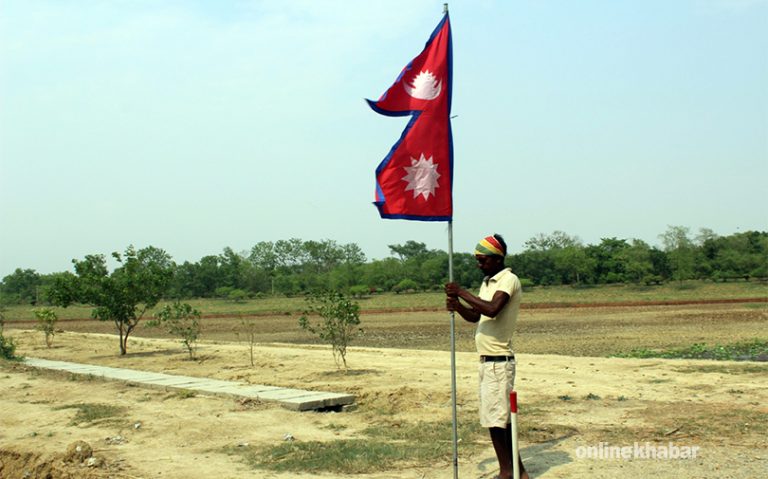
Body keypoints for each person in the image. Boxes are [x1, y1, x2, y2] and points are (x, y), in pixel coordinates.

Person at [445, 234, 528, 479]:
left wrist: (461, 291)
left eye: (483, 260)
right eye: (478, 260)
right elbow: (476, 316)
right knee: (503, 419)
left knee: (496, 421)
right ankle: (518, 472)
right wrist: (458, 306)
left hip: (498, 362)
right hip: (488, 362)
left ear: (497, 258)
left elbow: (492, 310)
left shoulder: (508, 280)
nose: (479, 265)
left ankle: (506, 472)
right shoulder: (488, 282)